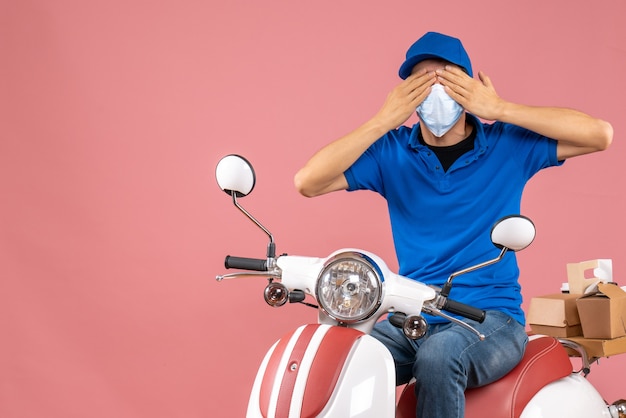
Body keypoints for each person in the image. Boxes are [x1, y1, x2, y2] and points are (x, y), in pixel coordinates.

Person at [293, 32, 612, 418]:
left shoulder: (506, 144)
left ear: (467, 86)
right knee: (343, 356)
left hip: (491, 318)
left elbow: (600, 134)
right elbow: (307, 181)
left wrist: (499, 107)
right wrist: (381, 121)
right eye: (421, 81)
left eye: (446, 78)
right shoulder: (391, 152)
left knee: (439, 355)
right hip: (412, 315)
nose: (435, 89)